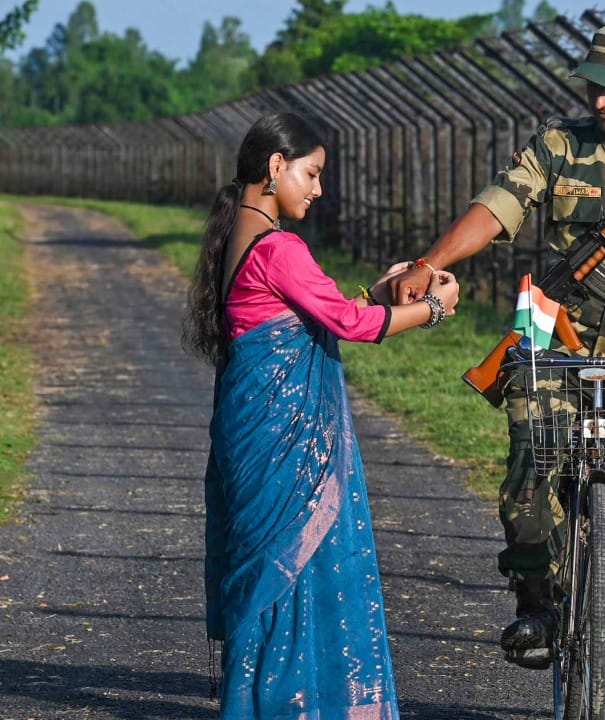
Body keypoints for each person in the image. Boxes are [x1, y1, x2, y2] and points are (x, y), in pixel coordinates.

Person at [388, 23, 605, 720]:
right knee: (530, 467)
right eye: (592, 85)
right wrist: (430, 263)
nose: (599, 98)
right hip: (558, 346)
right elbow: (497, 207)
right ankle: (536, 603)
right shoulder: (558, 144)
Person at [182, 112, 460, 719]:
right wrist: (434, 308)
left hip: (252, 430)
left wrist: (381, 292)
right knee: (300, 558)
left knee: (271, 568)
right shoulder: (280, 247)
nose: (317, 189)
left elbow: (315, 310)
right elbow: (348, 324)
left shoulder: (240, 238)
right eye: (310, 174)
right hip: (286, 437)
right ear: (275, 167)